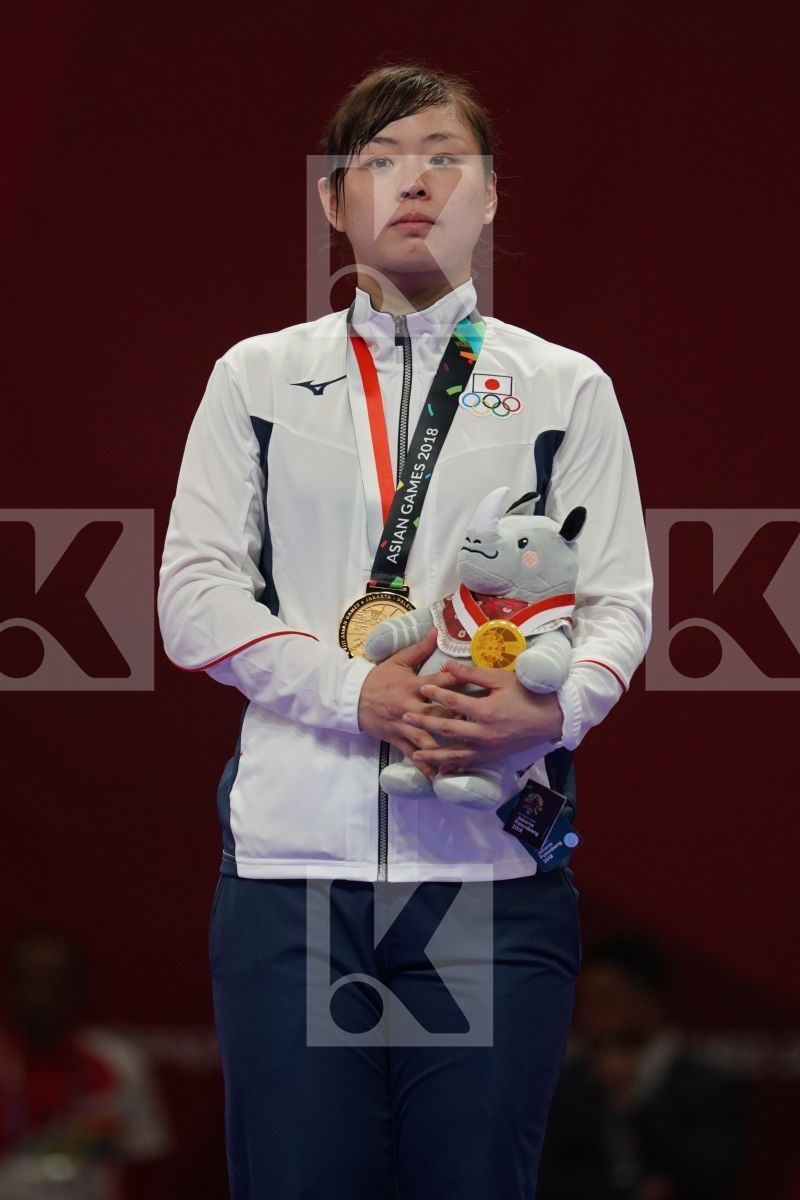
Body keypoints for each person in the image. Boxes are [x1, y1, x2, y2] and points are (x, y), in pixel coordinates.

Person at [157, 63, 652, 1200]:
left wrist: (553, 707)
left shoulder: (560, 387)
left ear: (490, 197)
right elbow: (193, 594)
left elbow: (618, 601)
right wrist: (354, 694)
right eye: (377, 159)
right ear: (334, 204)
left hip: (485, 872)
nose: (412, 180)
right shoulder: (260, 380)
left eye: (444, 156)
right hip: (295, 879)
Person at [536, 934, 749, 1200]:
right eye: (586, 1002)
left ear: (651, 999)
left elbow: (711, 1175)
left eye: (606, 999)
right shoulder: (568, 1083)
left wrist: (634, 1103)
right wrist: (629, 1194)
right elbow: (545, 1176)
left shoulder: (708, 1084)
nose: (591, 1016)